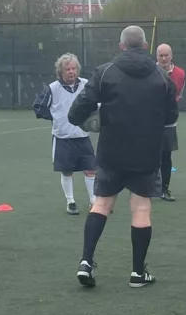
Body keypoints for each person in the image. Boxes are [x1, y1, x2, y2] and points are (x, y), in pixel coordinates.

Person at [68, 25, 178, 288]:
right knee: (141, 209)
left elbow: (77, 110)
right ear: (146, 46)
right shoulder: (162, 77)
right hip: (146, 154)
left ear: (121, 46)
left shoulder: (105, 72)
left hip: (111, 151)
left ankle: (86, 262)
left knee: (101, 205)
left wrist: (88, 121)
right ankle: (138, 273)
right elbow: (171, 117)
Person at [34, 53, 97, 214]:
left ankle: (94, 201)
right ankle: (71, 202)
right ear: (60, 72)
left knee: (90, 170)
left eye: (74, 68)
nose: (71, 72)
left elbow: (96, 104)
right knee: (67, 171)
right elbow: (39, 107)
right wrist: (56, 118)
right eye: (67, 69)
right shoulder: (53, 88)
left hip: (83, 136)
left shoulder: (86, 85)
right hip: (63, 138)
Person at [156, 43, 186, 201]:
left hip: (169, 122)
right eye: (161, 55)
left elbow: (178, 95)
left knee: (166, 156)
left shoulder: (180, 73)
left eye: (166, 55)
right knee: (149, 155)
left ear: (171, 56)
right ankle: (147, 187)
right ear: (156, 56)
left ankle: (164, 189)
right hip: (150, 122)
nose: (164, 58)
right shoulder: (149, 71)